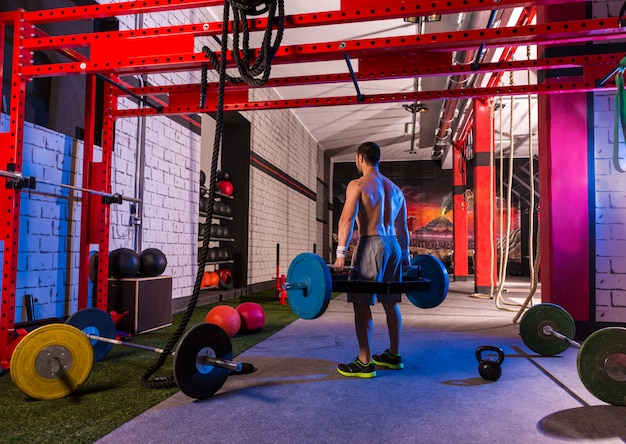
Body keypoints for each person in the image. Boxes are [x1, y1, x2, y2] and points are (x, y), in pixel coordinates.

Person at [333, 141, 410, 378]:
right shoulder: (396, 190)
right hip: (394, 247)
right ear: (378, 159)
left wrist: (340, 254)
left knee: (361, 301)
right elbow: (403, 227)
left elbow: (346, 220)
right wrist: (406, 256)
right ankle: (393, 355)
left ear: (359, 158)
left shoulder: (358, 185)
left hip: (371, 244)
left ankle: (365, 361)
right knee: (390, 302)